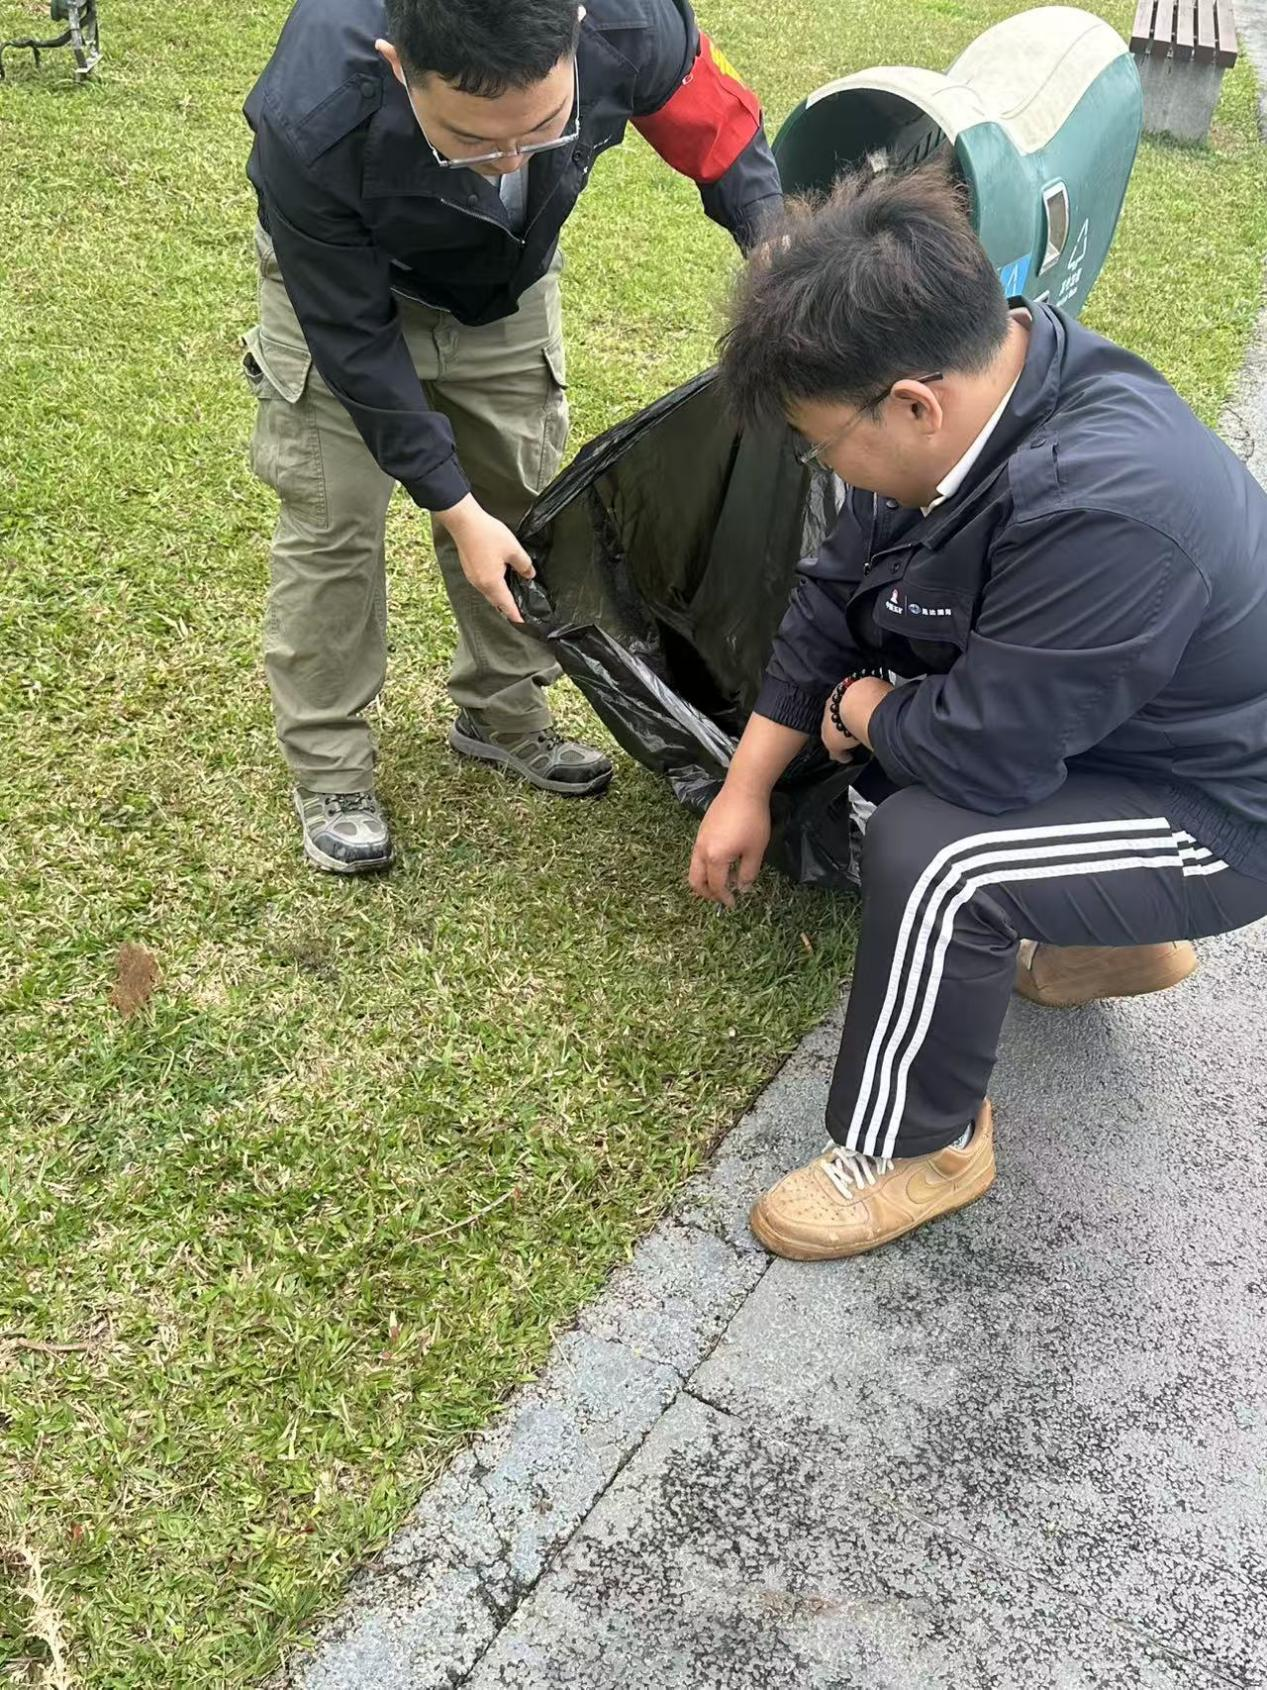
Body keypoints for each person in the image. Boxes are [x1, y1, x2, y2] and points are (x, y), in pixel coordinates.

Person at [690, 163, 1267, 1261]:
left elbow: (983, 759)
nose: (828, 466)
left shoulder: (1105, 498)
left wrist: (866, 708)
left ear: (914, 404)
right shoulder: (985, 384)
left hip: (1224, 811)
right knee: (911, 726)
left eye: (823, 444)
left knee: (936, 851)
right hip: (1135, 735)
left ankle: (918, 1144)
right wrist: (744, 787)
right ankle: (1109, 947)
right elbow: (830, 596)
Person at [244, 0, 782, 873]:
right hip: (351, 286)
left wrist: (773, 248)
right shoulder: (311, 112)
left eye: (541, 129)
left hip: (506, 284)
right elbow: (350, 337)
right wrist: (450, 504)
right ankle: (330, 764)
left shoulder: (630, 21)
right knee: (333, 522)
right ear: (397, 66)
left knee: (522, 502)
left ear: (577, 30)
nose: (504, 161)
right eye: (467, 139)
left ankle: (501, 710)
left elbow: (718, 127)